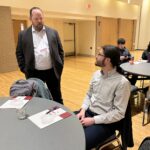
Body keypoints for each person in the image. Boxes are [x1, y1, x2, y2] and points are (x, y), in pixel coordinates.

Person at [76, 45, 130, 150]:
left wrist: (93, 120)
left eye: (99, 54)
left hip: (105, 123)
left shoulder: (122, 83)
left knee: (79, 143)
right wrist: (82, 110)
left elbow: (119, 113)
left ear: (108, 60)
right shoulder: (96, 74)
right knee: (63, 125)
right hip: (88, 113)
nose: (96, 56)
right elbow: (89, 94)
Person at [16, 7, 64, 104]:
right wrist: (24, 69)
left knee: (57, 96)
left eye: (41, 18)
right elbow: (19, 53)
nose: (39, 21)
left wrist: (60, 65)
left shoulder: (53, 32)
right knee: (37, 97)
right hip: (34, 73)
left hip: (52, 72)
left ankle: (62, 116)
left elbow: (60, 51)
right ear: (30, 18)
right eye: (36, 19)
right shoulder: (23, 34)